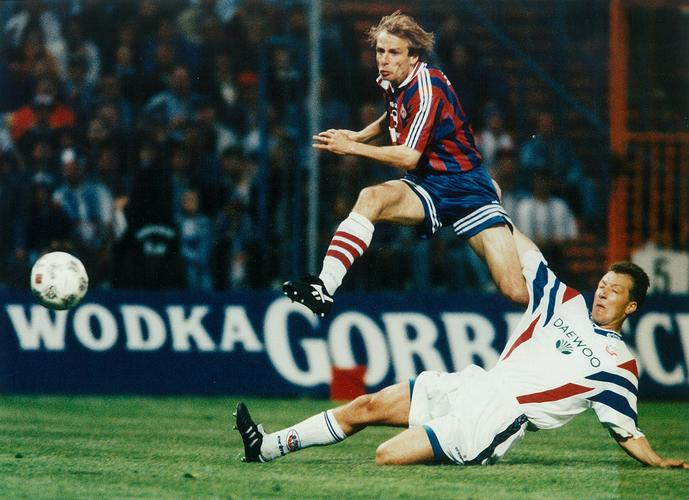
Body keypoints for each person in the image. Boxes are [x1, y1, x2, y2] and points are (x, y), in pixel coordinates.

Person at [235, 223, 689, 469]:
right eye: (603, 284)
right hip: (473, 384)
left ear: (631, 307)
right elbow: (527, 252)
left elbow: (626, 430)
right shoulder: (564, 302)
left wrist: (659, 462)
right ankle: (267, 447)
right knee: (367, 405)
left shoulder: (619, 365)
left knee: (386, 455)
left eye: (615, 291)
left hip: (497, 416)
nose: (603, 292)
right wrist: (491, 210)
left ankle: (460, 451)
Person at [282, 11, 527, 317]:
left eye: (394, 52)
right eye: (380, 51)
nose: (384, 59)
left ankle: (556, 310)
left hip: (467, 189)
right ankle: (324, 287)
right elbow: (394, 115)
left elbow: (409, 156)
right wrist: (360, 134)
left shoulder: (428, 87)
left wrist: (353, 147)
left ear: (413, 57)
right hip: (427, 184)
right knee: (371, 197)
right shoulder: (392, 80)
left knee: (514, 290)